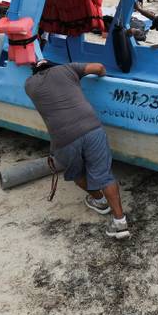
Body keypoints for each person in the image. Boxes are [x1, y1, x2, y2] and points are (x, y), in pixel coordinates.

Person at [24, 60, 130, 240]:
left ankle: (99, 201)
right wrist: (98, 77)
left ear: (36, 72)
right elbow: (100, 67)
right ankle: (120, 222)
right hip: (92, 129)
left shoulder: (29, 85)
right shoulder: (67, 68)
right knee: (104, 176)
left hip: (63, 138)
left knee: (76, 173)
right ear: (53, 66)